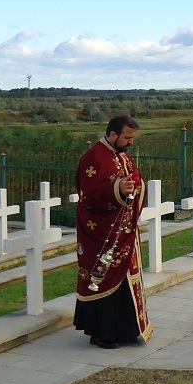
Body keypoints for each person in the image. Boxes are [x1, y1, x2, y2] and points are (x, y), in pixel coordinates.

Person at [73, 115, 152, 349]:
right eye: (127, 138)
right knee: (102, 279)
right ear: (113, 134)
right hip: (100, 234)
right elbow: (89, 197)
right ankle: (103, 334)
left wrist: (135, 184)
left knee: (123, 282)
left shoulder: (123, 155)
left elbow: (133, 179)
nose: (130, 142)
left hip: (123, 232)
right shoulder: (94, 157)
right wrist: (117, 188)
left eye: (132, 138)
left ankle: (125, 331)